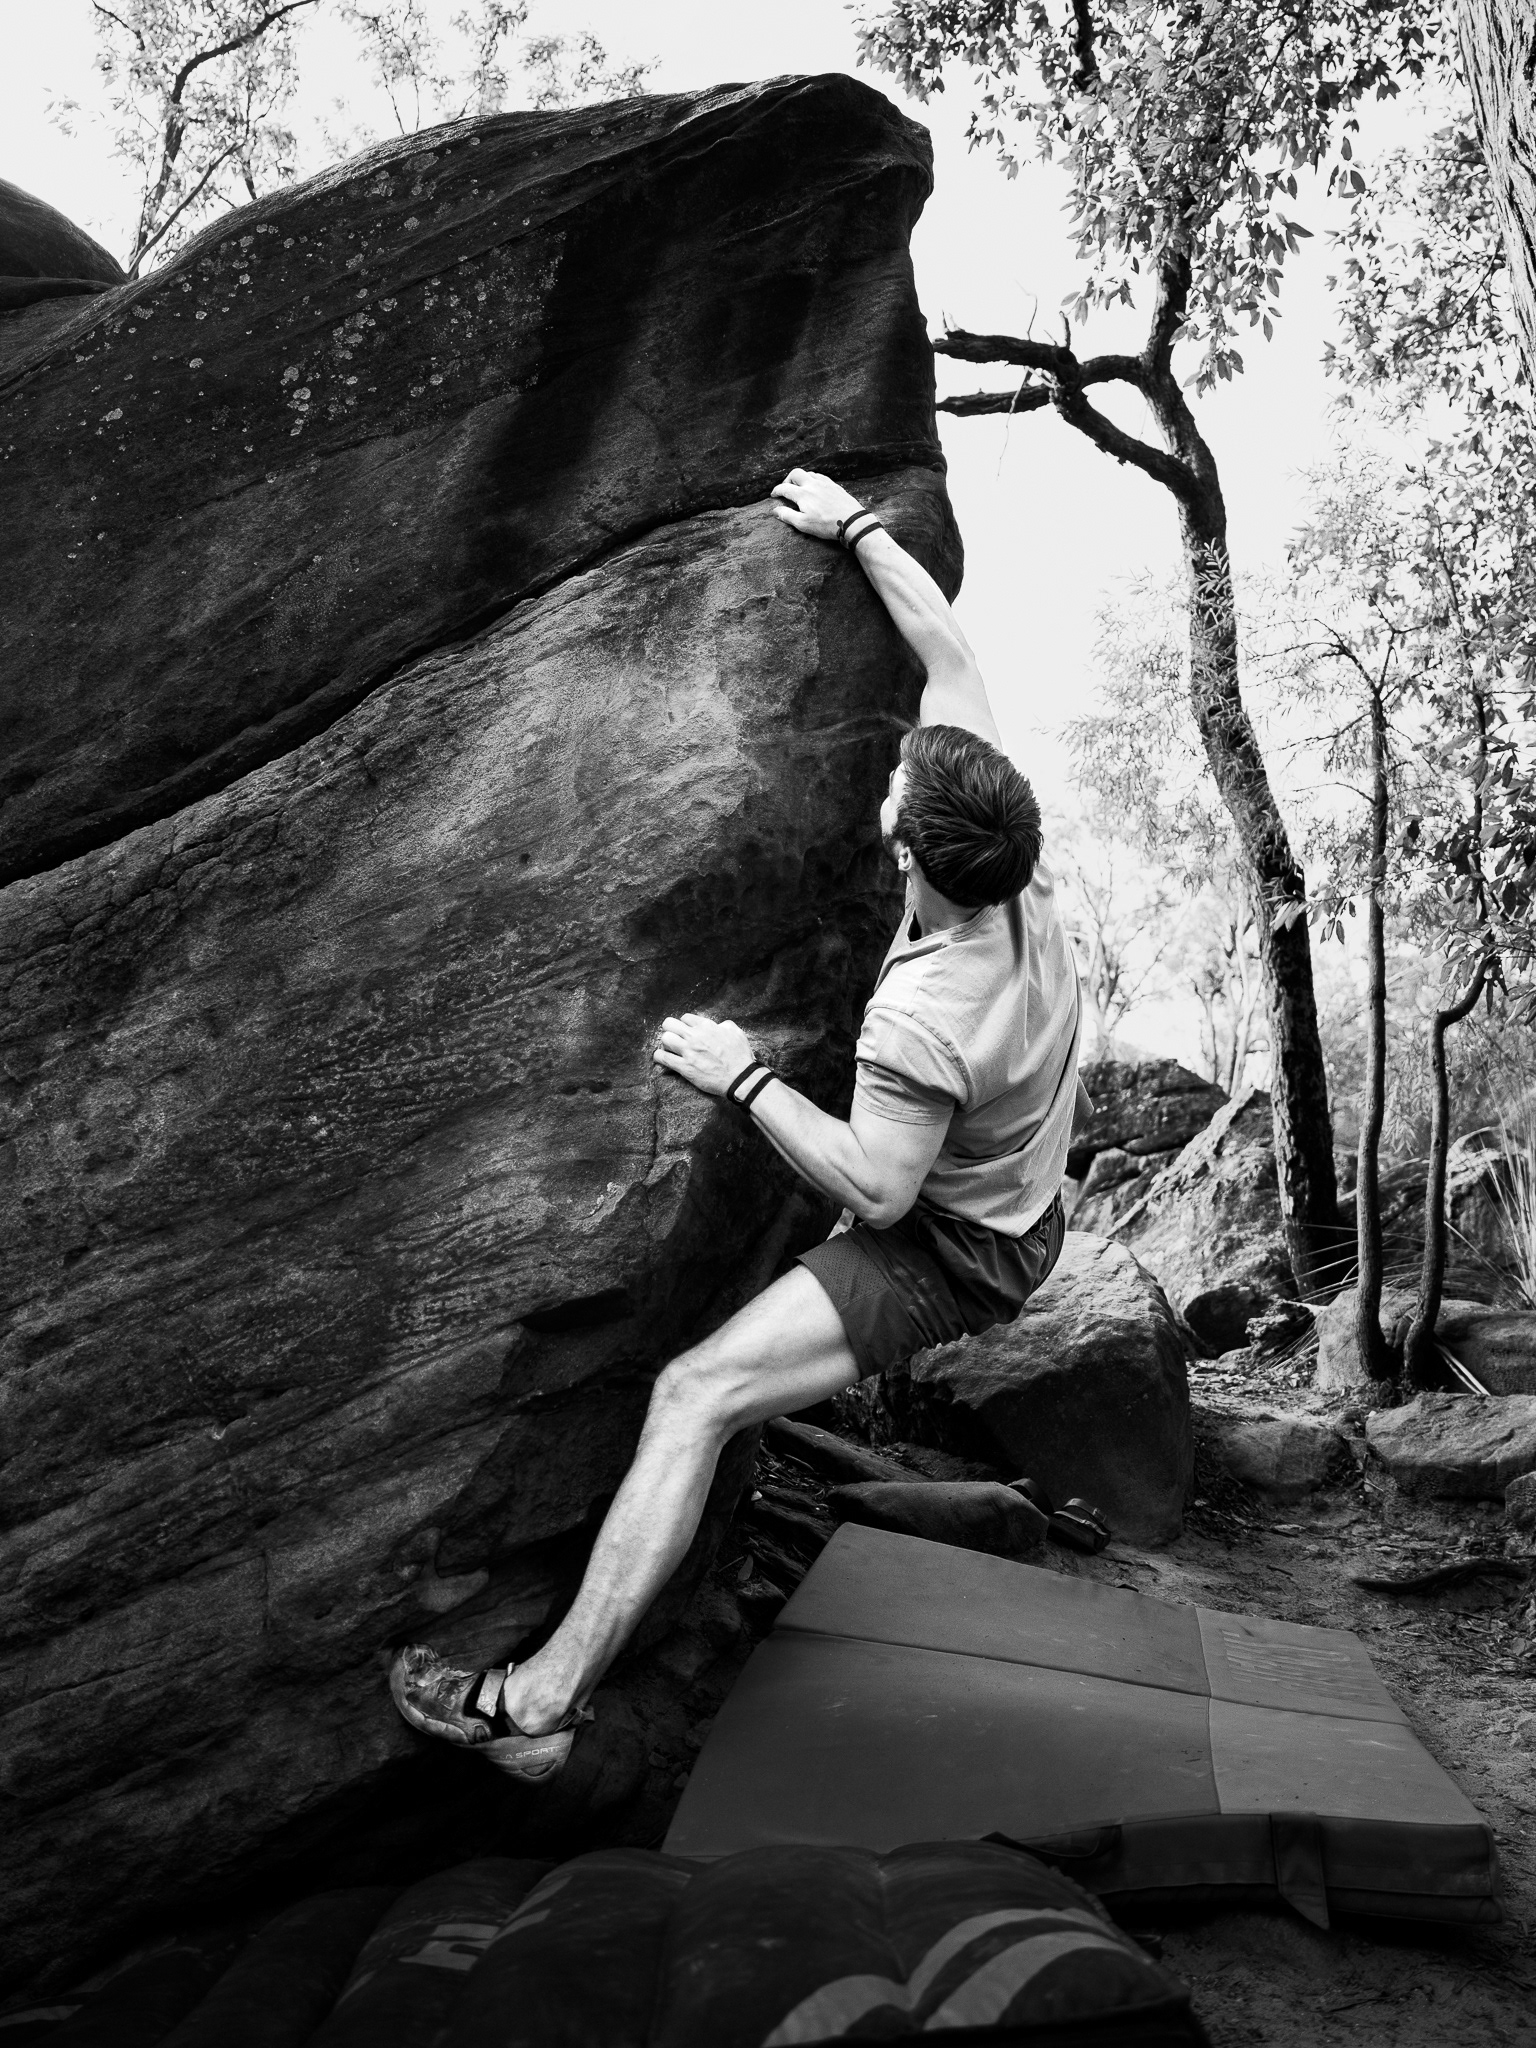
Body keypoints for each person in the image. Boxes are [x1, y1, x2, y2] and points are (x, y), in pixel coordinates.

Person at [389, 466, 1084, 1779]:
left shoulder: (930, 1012)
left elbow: (878, 1194)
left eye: (893, 798)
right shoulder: (1003, 838)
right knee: (722, 1376)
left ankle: (536, 1708)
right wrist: (861, 529)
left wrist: (741, 1077)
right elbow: (951, 650)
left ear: (914, 858)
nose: (886, 782)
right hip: (1002, 1188)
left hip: (945, 1251)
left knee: (694, 1396)